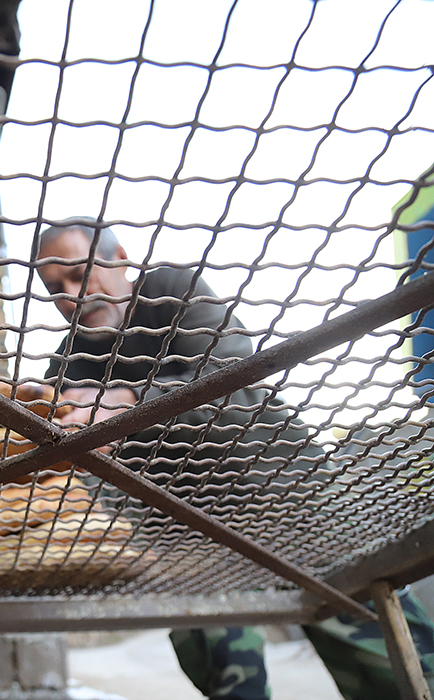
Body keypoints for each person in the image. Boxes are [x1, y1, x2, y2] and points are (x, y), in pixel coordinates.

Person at [35, 220, 434, 700]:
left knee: (389, 661)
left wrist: (126, 401)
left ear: (120, 257)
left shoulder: (171, 291)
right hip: (187, 534)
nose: (72, 296)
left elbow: (232, 377)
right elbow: (56, 446)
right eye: (55, 288)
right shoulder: (67, 363)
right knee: (226, 675)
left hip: (285, 499)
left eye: (80, 273)